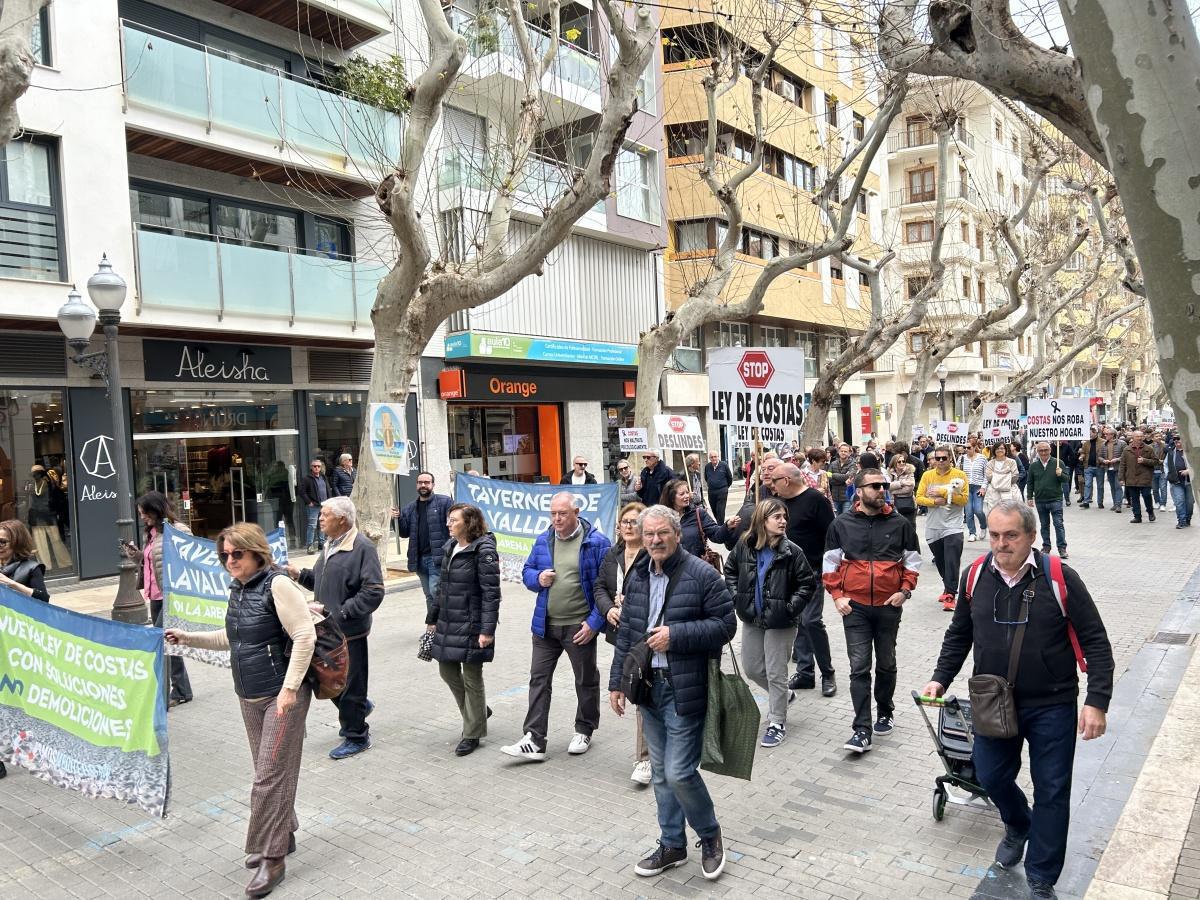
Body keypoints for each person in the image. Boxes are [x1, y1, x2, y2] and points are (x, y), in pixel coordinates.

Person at [923, 501, 1114, 900]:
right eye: (993, 535)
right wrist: (940, 678)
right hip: (992, 700)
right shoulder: (974, 576)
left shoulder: (1060, 578)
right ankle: (1018, 823)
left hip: (1053, 703)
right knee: (990, 776)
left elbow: (1095, 640)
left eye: (1011, 535)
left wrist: (1097, 700)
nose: (1000, 543)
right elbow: (959, 633)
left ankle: (1042, 876)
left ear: (1031, 535)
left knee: (1052, 788)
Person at [165, 523, 316, 899]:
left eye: (237, 554)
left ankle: (272, 857)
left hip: (280, 696)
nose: (229, 561)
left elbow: (305, 636)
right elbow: (231, 639)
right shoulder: (239, 589)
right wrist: (187, 638)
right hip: (248, 695)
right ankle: (285, 831)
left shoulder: (277, 585)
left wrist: (290, 689)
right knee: (269, 771)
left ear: (256, 553)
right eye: (224, 556)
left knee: (267, 776)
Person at [608, 505, 737, 881]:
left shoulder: (702, 574)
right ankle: (672, 845)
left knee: (679, 773)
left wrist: (676, 636)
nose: (655, 540)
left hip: (685, 688)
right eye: (648, 534)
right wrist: (617, 682)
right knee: (661, 775)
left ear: (678, 535)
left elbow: (725, 625)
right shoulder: (638, 576)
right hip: (648, 689)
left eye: (662, 533)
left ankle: (710, 836)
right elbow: (629, 634)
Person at [506, 493, 611, 761]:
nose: (556, 519)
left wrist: (594, 624)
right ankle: (534, 739)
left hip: (579, 626)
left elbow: (606, 589)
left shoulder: (597, 543)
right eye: (552, 514)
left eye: (562, 514)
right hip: (545, 626)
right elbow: (527, 572)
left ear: (576, 511)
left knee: (585, 680)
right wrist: (537, 578)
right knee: (538, 680)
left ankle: (584, 729)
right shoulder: (544, 539)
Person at [824, 469, 921, 754]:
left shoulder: (900, 523)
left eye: (884, 485)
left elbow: (913, 561)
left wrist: (904, 591)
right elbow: (829, 565)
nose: (882, 490)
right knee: (859, 668)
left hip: (889, 606)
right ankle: (861, 730)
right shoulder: (841, 524)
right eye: (876, 485)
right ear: (859, 490)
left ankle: (885, 711)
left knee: (887, 663)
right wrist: (837, 596)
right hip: (854, 609)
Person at [288, 497, 384, 759]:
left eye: (325, 514)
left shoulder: (362, 547)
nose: (320, 518)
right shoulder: (331, 544)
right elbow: (322, 580)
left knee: (351, 683)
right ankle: (359, 708)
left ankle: (357, 735)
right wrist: (299, 575)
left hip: (349, 631)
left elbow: (373, 592)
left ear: (342, 519)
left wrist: (339, 612)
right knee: (325, 678)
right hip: (326, 630)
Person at [724, 498, 816, 748]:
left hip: (780, 621)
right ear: (762, 521)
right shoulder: (745, 545)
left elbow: (808, 584)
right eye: (777, 517)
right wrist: (737, 597)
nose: (783, 521)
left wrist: (789, 609)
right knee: (752, 667)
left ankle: (776, 722)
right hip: (752, 617)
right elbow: (730, 570)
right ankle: (785, 696)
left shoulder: (792, 551)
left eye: (785, 517)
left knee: (777, 672)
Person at [427, 503, 500, 757]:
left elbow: (491, 594)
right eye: (448, 519)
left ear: (468, 523)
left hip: (472, 623)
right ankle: (478, 713)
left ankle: (473, 733)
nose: (448, 524)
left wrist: (486, 630)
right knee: (446, 670)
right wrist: (432, 617)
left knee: (472, 677)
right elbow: (442, 588)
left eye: (453, 520)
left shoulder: (484, 550)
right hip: (448, 620)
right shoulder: (450, 547)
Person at [594, 501, 651, 784]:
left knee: (641, 691)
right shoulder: (613, 553)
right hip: (621, 630)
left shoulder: (652, 554)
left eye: (634, 521)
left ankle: (644, 759)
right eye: (624, 522)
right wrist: (609, 609)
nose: (628, 526)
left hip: (647, 631)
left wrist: (636, 600)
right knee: (632, 686)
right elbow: (599, 587)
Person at [771, 464, 837, 697]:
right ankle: (805, 672)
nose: (772, 485)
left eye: (774, 480)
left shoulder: (815, 500)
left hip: (812, 572)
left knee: (811, 621)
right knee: (797, 621)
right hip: (785, 574)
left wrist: (829, 569)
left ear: (786, 480)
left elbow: (833, 535)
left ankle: (827, 673)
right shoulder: (778, 503)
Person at [127, 492, 193, 708]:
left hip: (170, 596)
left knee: (160, 641)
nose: (142, 518)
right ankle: (181, 689)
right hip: (155, 595)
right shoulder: (153, 532)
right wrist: (138, 556)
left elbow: (190, 560)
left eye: (144, 513)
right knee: (169, 642)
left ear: (155, 510)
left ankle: (161, 693)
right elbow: (153, 559)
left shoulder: (177, 530)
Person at [916, 447, 969, 611]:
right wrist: (934, 502)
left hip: (953, 525)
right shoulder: (927, 475)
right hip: (934, 526)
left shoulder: (959, 475)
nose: (939, 461)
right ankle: (948, 586)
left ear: (949, 459)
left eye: (943, 458)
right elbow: (919, 497)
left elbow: (964, 500)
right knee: (940, 561)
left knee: (952, 560)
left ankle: (951, 594)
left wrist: (943, 493)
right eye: (936, 458)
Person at [393, 472, 452, 617]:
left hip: (437, 558)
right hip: (419, 560)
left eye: (427, 482)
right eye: (420, 482)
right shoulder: (410, 508)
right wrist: (397, 519)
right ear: (416, 485)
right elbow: (404, 533)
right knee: (429, 595)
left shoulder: (444, 502)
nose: (423, 485)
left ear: (433, 484)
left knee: (435, 592)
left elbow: (454, 525)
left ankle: (441, 627)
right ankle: (433, 628)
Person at [661, 479, 735, 558]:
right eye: (682, 494)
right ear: (672, 498)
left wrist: (727, 526)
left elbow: (715, 534)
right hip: (672, 566)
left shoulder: (698, 513)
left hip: (696, 565)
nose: (687, 496)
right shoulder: (662, 518)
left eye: (687, 492)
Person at [1025, 442, 1072, 559]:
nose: (1044, 453)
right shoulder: (1034, 466)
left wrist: (1060, 474)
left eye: (1046, 450)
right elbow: (1030, 482)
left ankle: (1062, 548)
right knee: (1044, 525)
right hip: (1041, 500)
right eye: (1041, 450)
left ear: (1050, 450)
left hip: (1055, 499)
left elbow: (1066, 479)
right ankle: (1046, 546)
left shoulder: (1058, 463)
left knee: (1058, 524)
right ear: (1037, 451)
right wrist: (1029, 497)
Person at [0, 519, 49, 602]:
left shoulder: (31, 568)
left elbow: (44, 599)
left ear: (18, 542)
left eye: (2, 542)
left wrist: (12, 584)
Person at [1119, 429, 1160, 523]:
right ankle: (1137, 516)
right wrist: (1121, 478)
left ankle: (1150, 512)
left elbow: (1156, 461)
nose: (1139, 438)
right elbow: (1122, 465)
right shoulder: (1127, 449)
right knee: (1134, 498)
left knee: (1147, 496)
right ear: (1133, 438)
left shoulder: (1148, 449)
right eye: (1137, 436)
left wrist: (1145, 460)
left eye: (1141, 436)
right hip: (1131, 478)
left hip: (1145, 477)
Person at [297, 458, 332, 553]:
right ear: (311, 467)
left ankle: (321, 544)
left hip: (324, 505)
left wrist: (329, 501)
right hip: (313, 506)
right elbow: (302, 492)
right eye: (314, 466)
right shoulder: (306, 479)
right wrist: (309, 502)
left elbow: (328, 489)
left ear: (321, 467)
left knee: (322, 525)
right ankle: (310, 546)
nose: (316, 468)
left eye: (318, 466)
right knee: (312, 526)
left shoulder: (324, 477)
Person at [983, 442, 1022, 514]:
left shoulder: (1012, 462)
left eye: (1002, 448)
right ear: (994, 450)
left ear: (1006, 450)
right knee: (995, 514)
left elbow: (1015, 476)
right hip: (994, 493)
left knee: (1011, 514)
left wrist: (996, 476)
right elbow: (988, 477)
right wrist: (1006, 476)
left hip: (1010, 491)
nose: (999, 450)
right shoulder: (990, 463)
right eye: (997, 448)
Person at [961, 442, 989, 542]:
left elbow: (986, 474)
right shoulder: (962, 458)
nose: (966, 449)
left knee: (978, 510)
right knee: (968, 512)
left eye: (969, 447)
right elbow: (958, 473)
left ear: (974, 447)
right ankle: (972, 533)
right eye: (965, 448)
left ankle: (983, 526)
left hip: (978, 487)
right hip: (966, 487)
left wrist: (983, 487)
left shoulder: (982, 458)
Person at [1097, 426, 1127, 514]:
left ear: (1113, 435)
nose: (1105, 435)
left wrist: (1117, 459)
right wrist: (1103, 460)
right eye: (1105, 434)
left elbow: (1126, 456)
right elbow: (1099, 456)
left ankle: (1118, 505)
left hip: (1118, 468)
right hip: (1109, 468)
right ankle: (1115, 503)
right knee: (1112, 487)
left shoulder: (1122, 443)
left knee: (1118, 486)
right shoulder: (1104, 444)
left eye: (1107, 434)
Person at [1166, 435, 1193, 528]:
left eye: (1179, 439)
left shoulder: (1191, 452)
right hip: (1176, 482)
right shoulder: (1171, 452)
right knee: (1179, 501)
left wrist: (1189, 471)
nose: (1177, 441)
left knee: (1189, 503)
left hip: (1190, 482)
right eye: (1175, 440)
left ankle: (1188, 519)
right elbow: (1166, 464)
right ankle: (1181, 521)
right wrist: (1168, 475)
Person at [888, 451, 918, 530]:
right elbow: (887, 486)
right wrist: (902, 483)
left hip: (909, 505)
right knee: (896, 528)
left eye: (903, 461)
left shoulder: (909, 471)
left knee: (910, 527)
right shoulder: (889, 473)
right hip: (894, 504)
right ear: (894, 463)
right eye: (899, 461)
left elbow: (909, 488)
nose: (902, 463)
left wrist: (893, 490)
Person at [703, 451, 735, 522]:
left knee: (720, 510)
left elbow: (729, 478)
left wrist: (725, 487)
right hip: (711, 491)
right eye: (711, 457)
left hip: (722, 491)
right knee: (714, 510)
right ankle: (719, 523)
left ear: (718, 457)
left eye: (715, 457)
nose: (713, 458)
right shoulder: (707, 466)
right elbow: (706, 477)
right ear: (709, 458)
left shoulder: (724, 465)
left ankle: (720, 526)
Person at [828, 444, 857, 515]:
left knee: (846, 519)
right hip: (834, 497)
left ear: (849, 453)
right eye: (841, 451)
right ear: (838, 452)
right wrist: (843, 479)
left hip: (846, 498)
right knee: (835, 519)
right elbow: (828, 478)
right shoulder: (833, 463)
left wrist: (833, 475)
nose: (843, 453)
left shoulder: (853, 464)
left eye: (845, 451)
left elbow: (849, 476)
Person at [1079, 426, 1102, 509]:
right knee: (1088, 484)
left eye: (1091, 433)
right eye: (1089, 434)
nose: (1089, 435)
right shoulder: (1086, 443)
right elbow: (1083, 452)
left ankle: (1100, 502)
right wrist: (1081, 456)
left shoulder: (1103, 442)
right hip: (1088, 466)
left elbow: (1104, 453)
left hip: (1099, 466)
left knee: (1100, 485)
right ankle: (1086, 501)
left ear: (1096, 433)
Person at [1150, 431, 1169, 511]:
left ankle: (1163, 504)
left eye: (1159, 436)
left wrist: (1163, 461)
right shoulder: (1149, 447)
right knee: (1154, 489)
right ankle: (1157, 502)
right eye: (1156, 436)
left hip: (1162, 470)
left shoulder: (1165, 446)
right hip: (1152, 470)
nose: (1158, 437)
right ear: (1152, 438)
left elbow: (1169, 457)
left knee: (1163, 488)